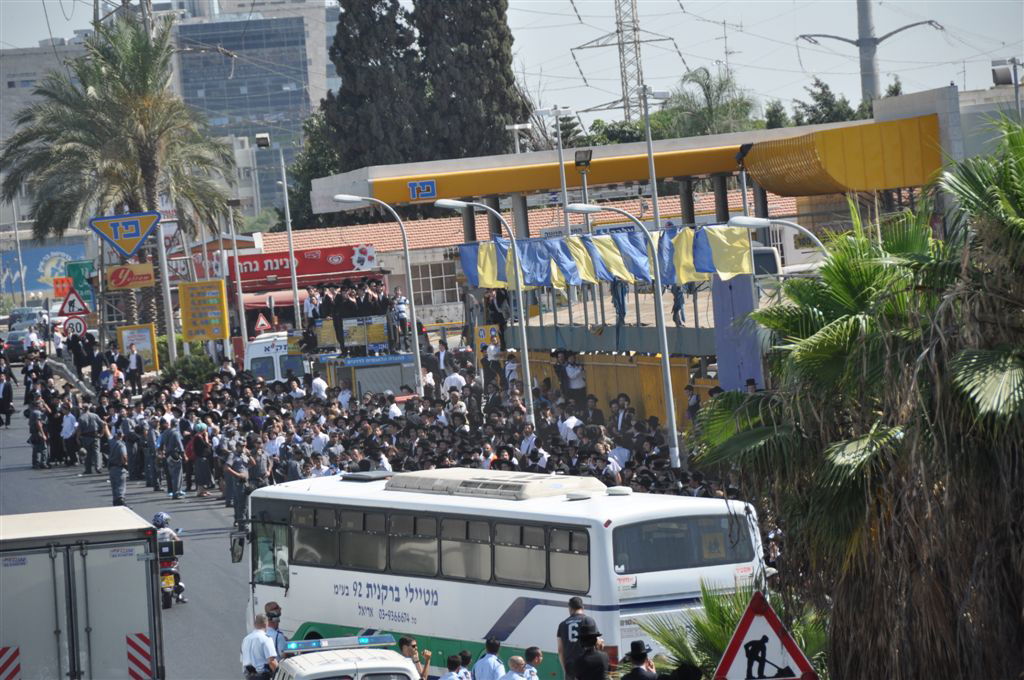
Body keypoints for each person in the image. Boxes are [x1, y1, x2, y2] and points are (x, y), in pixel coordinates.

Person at [557, 597, 597, 680]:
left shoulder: (562, 624)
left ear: (570, 608)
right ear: (583, 607)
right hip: (586, 665)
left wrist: (565, 670)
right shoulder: (588, 620)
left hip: (570, 667)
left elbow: (560, 650)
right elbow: (596, 642)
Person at [241, 614, 278, 680]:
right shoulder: (266, 639)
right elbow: (271, 661)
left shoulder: (246, 639)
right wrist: (278, 674)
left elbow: (242, 659)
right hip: (263, 676)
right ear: (266, 624)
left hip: (249, 676)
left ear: (254, 625)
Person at [108, 426, 129, 506]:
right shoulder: (121, 445)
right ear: (122, 435)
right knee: (120, 488)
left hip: (112, 468)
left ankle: (115, 505)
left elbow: (108, 436)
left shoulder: (112, 443)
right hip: (119, 468)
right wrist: (126, 463)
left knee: (114, 489)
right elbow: (124, 456)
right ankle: (122, 505)